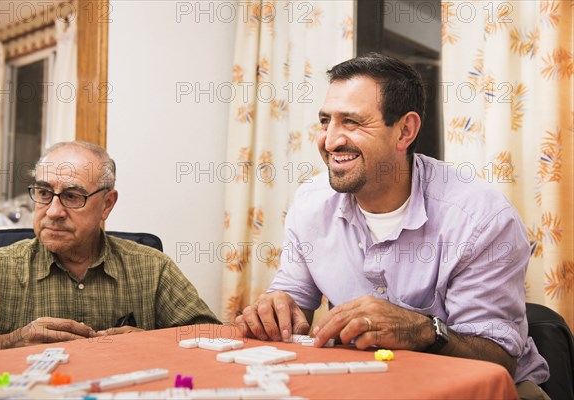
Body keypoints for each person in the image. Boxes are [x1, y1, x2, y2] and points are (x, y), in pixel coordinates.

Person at [235, 53, 549, 398]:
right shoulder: (310, 203)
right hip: (370, 384)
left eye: (352, 122)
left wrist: (422, 330)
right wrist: (276, 309)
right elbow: (293, 301)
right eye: (326, 121)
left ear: (405, 131)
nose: (330, 140)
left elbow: (498, 360)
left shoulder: (480, 217)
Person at [0, 141, 219, 352]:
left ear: (107, 204)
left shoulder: (152, 267)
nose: (53, 211)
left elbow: (212, 337)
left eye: (72, 196)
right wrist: (10, 341)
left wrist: (151, 341)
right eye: (43, 192)